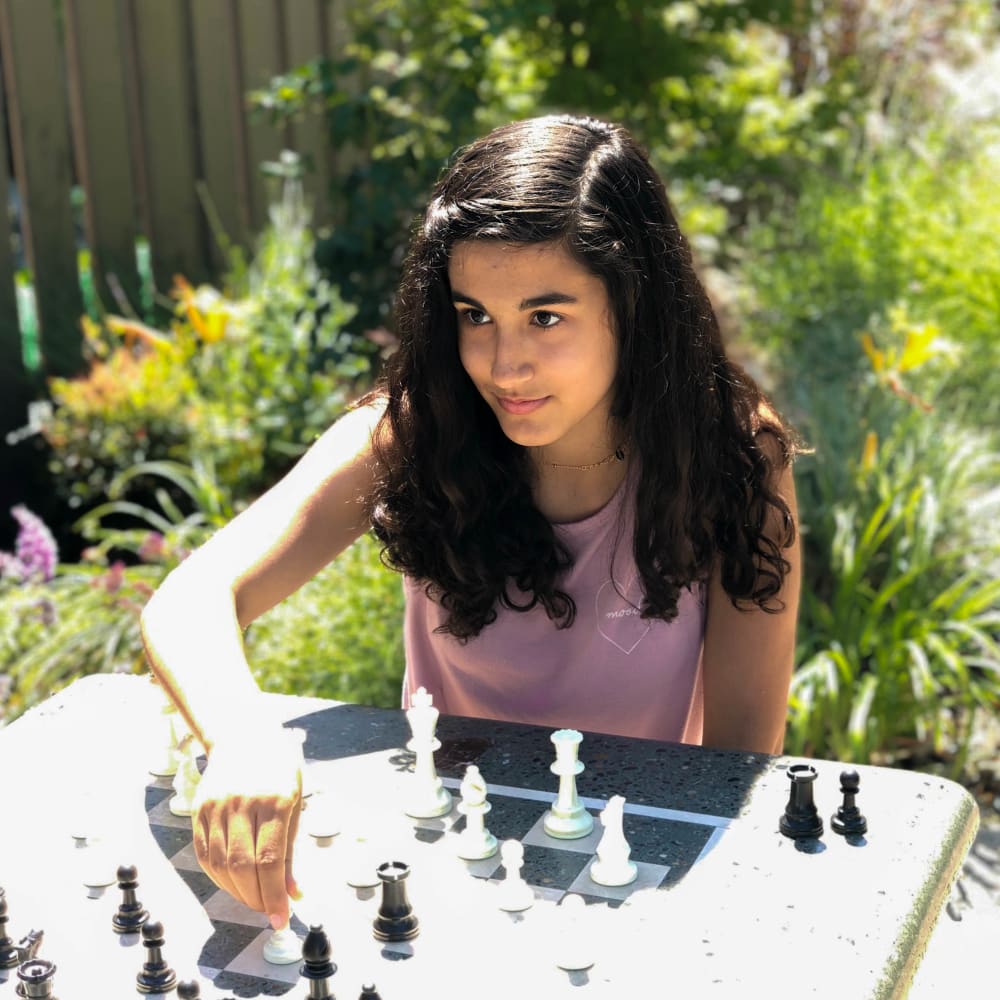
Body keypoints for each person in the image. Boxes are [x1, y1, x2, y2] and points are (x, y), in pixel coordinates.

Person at [140, 114, 801, 932]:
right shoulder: (412, 433)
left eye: (545, 317)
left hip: (629, 878)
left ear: (635, 309)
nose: (502, 363)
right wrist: (242, 740)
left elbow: (738, 766)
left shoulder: (734, 457)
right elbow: (190, 597)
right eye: (473, 314)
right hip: (442, 853)